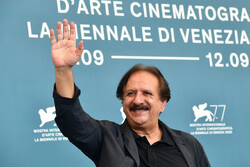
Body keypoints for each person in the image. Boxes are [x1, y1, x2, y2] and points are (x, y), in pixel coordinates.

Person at [50, 19, 211, 167]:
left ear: (163, 102)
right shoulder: (107, 138)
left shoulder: (189, 144)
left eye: (147, 93)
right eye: (130, 93)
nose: (138, 100)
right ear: (122, 101)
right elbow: (71, 119)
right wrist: (63, 69)